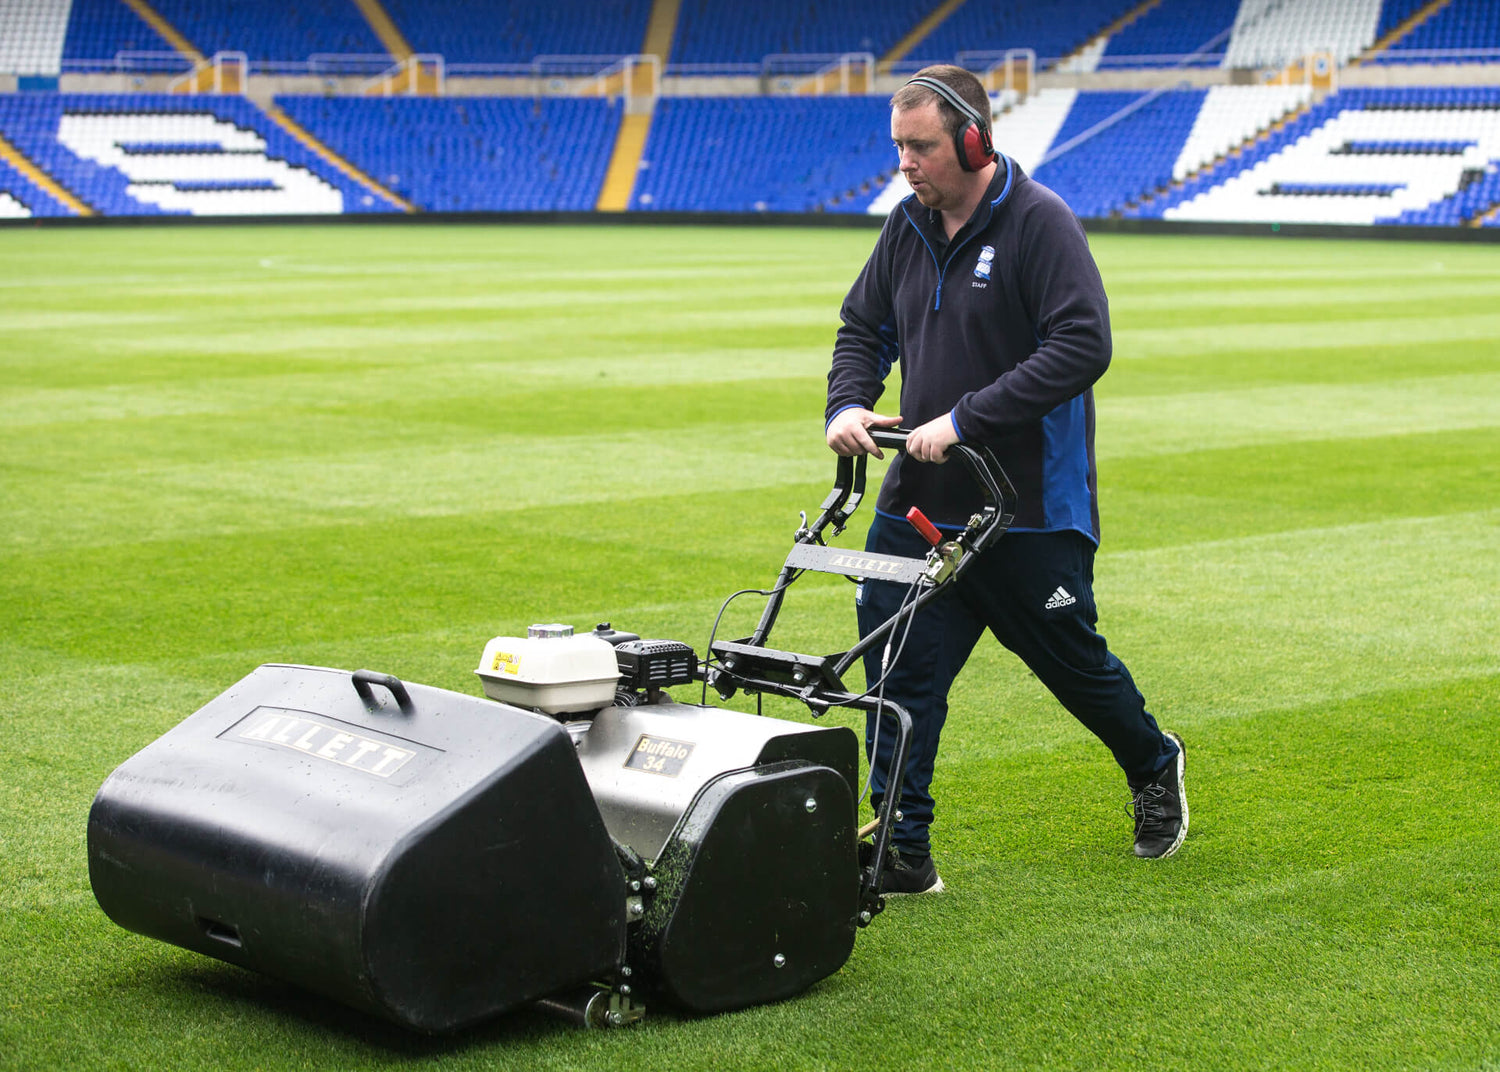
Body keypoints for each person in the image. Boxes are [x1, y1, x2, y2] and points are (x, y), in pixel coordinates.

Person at [825, 65, 1187, 893]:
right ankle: (902, 851)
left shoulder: (1039, 223)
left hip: (1025, 507)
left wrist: (963, 420)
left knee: (1075, 668)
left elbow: (1080, 345)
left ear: (973, 140)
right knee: (899, 675)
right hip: (917, 507)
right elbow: (863, 326)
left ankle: (1151, 760)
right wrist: (848, 403)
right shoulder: (903, 227)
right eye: (899, 148)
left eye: (920, 147)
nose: (907, 164)